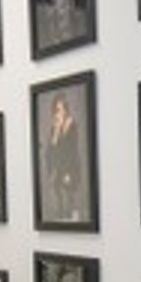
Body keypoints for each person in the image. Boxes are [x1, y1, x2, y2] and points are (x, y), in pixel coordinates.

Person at [43, 92, 85, 222]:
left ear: (66, 109)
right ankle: (61, 213)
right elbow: (51, 148)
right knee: (56, 187)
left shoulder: (71, 124)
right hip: (57, 165)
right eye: (56, 109)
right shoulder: (54, 127)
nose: (59, 112)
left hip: (70, 164)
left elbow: (72, 149)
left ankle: (70, 213)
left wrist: (68, 172)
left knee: (68, 189)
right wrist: (56, 129)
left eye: (61, 109)